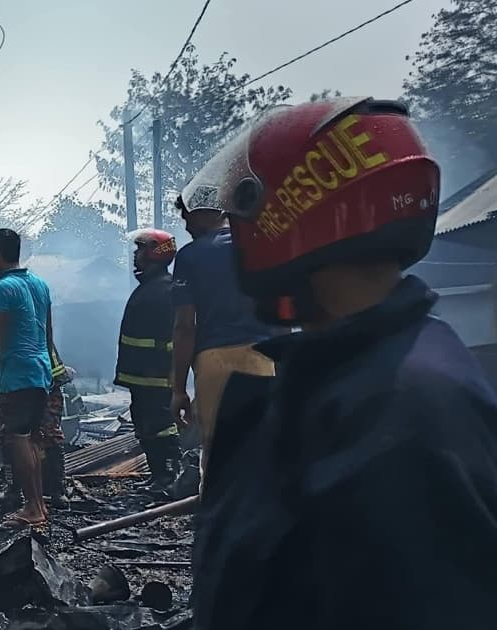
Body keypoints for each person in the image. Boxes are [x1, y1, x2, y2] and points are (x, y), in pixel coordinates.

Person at [184, 97, 497, 629]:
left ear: (293, 214)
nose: (237, 234)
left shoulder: (406, 408)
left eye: (245, 214)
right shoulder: (352, 373)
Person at [169, 182, 275, 480]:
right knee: (266, 445)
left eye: (187, 215)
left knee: (218, 453)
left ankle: (220, 518)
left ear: (205, 211)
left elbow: (184, 327)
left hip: (217, 359)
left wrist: (178, 389)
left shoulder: (190, 256)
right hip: (270, 356)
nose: (186, 224)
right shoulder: (265, 242)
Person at [0, 244, 72, 509]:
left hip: (19, 378)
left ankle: (17, 492)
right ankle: (57, 491)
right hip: (48, 372)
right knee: (49, 432)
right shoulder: (29, 285)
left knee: (15, 435)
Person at [116, 228, 182, 493]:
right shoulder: (149, 288)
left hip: (156, 375)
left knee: (160, 426)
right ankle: (157, 476)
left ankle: (169, 476)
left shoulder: (166, 290)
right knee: (144, 425)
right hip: (140, 375)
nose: (135, 255)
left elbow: (176, 335)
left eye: (140, 249)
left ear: (155, 253)